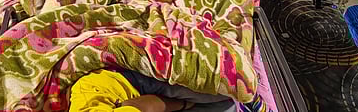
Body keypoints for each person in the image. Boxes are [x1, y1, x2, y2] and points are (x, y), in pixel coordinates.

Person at [70, 69, 235, 112]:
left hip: (128, 82)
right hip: (101, 91)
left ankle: (250, 94)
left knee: (221, 94)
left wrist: (185, 105)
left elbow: (147, 106)